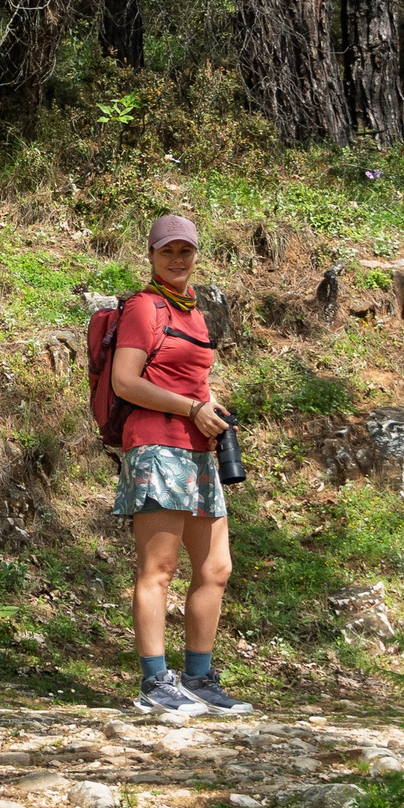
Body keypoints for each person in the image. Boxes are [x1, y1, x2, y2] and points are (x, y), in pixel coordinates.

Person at [108, 213, 251, 716]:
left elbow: (192, 381)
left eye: (185, 250)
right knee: (159, 569)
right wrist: (191, 408)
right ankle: (154, 683)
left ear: (195, 254)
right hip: (155, 446)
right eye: (167, 251)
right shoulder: (143, 309)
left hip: (198, 450)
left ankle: (199, 678)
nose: (177, 259)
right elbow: (125, 381)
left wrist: (209, 407)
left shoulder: (193, 314)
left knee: (215, 567)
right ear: (151, 255)